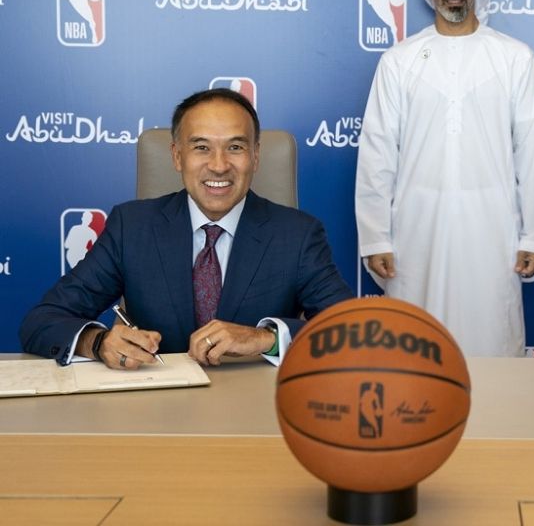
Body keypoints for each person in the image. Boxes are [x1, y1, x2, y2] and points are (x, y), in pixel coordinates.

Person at [21, 88, 353, 369]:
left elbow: (354, 329)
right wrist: (98, 342)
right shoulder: (131, 227)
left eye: (235, 147)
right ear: (177, 156)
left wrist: (267, 339)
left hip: (258, 409)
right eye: (201, 147)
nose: (219, 165)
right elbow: (43, 321)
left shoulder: (298, 234)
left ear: (255, 156)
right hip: (155, 411)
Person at [355, 0, 534, 357]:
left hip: (493, 228)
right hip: (415, 229)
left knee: (492, 340)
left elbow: (533, 150)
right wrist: (375, 237)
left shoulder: (514, 58)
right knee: (413, 343)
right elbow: (377, 151)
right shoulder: (400, 60)